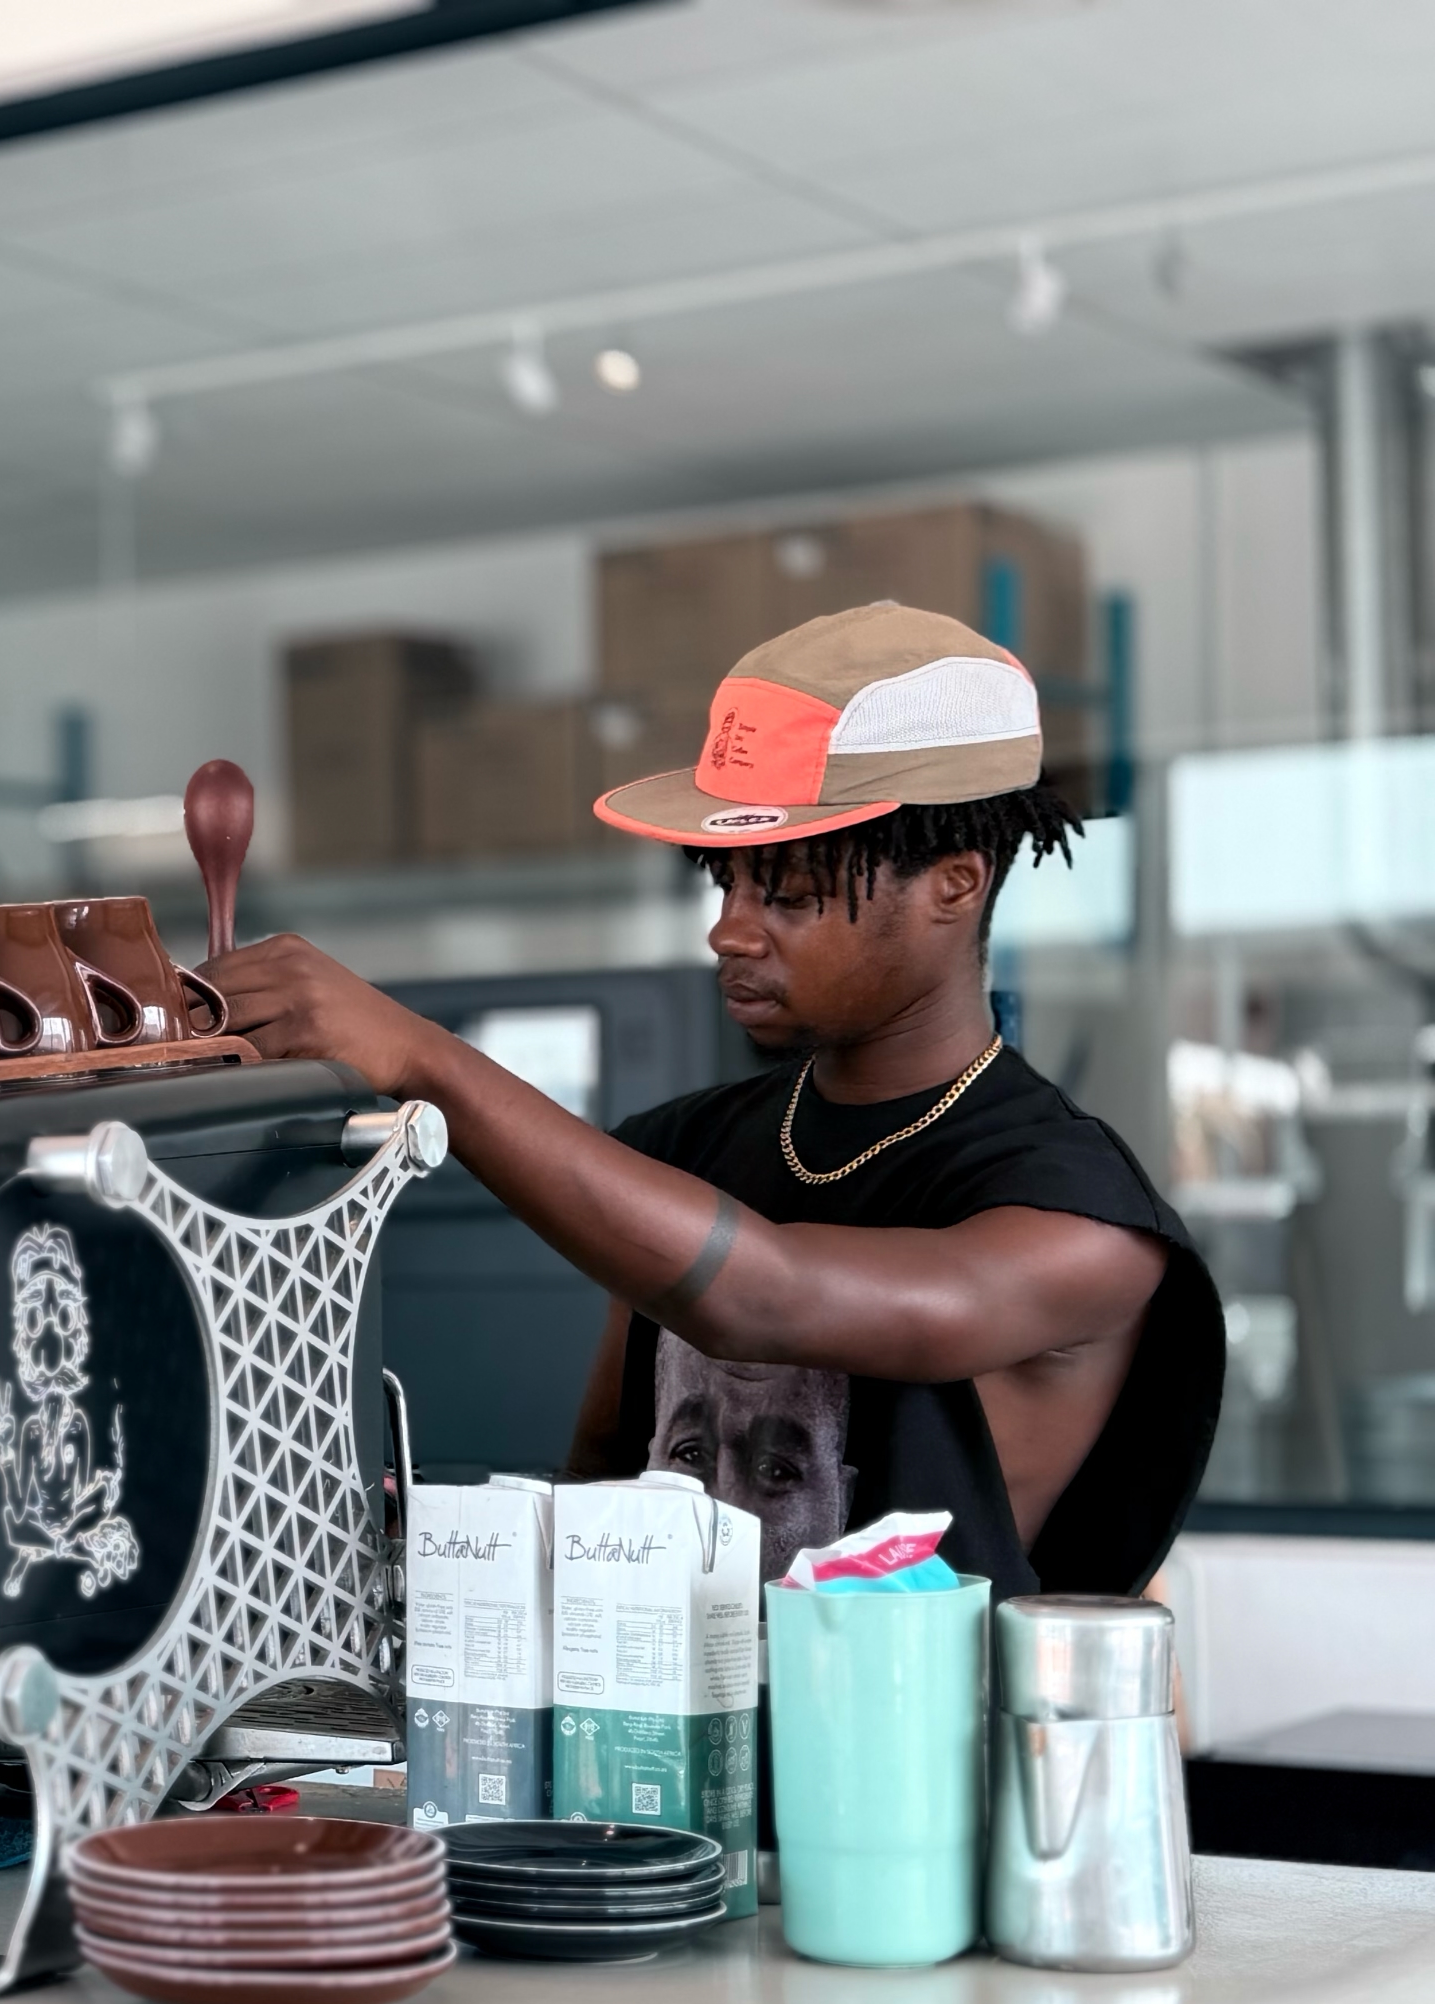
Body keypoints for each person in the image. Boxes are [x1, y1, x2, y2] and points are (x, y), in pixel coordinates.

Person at [204, 601, 1223, 1598]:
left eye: (787, 894)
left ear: (953, 886)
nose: (729, 932)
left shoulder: (1077, 1216)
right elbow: (606, 1487)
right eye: (724, 885)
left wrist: (421, 1056)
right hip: (658, 1750)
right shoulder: (685, 1147)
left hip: (897, 1759)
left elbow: (763, 1299)